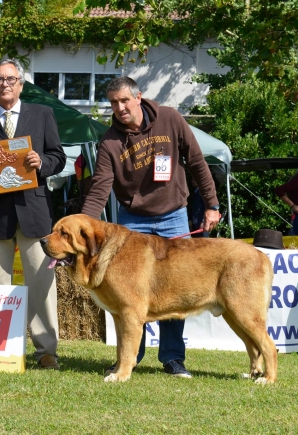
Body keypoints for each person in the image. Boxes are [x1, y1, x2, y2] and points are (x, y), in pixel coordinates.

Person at [81, 76, 220, 378]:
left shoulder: (170, 118)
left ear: (138, 97)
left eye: (124, 101)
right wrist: (83, 224)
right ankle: (131, 359)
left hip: (174, 216)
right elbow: (100, 187)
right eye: (113, 103)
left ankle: (172, 358)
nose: (119, 108)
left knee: (174, 288)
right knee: (129, 294)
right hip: (133, 223)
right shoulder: (109, 142)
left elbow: (197, 162)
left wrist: (212, 204)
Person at [0, 59, 67, 369]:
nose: (5, 84)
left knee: (41, 285)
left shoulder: (42, 114)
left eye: (10, 79)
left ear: (21, 84)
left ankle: (47, 351)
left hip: (35, 212)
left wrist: (42, 162)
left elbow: (58, 157)